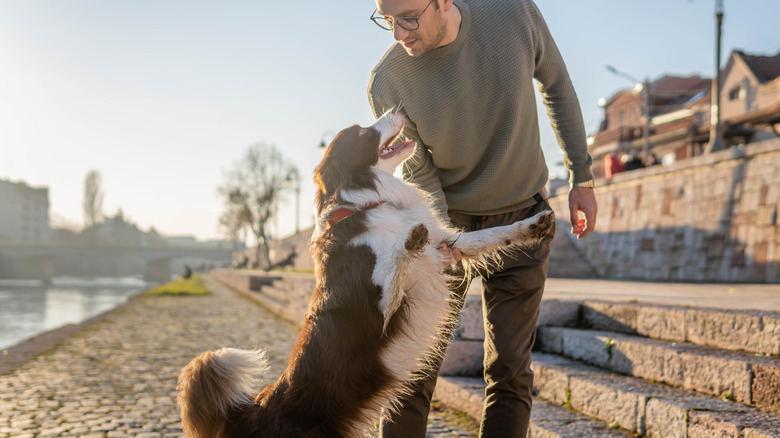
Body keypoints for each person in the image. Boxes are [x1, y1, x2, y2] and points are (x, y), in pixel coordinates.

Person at [366, 0, 597, 436]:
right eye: (388, 21)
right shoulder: (389, 80)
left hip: (524, 221)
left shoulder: (512, 12)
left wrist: (581, 177)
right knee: (414, 368)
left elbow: (558, 85)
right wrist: (441, 241)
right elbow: (419, 174)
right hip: (446, 229)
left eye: (408, 18)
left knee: (510, 369)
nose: (399, 33)